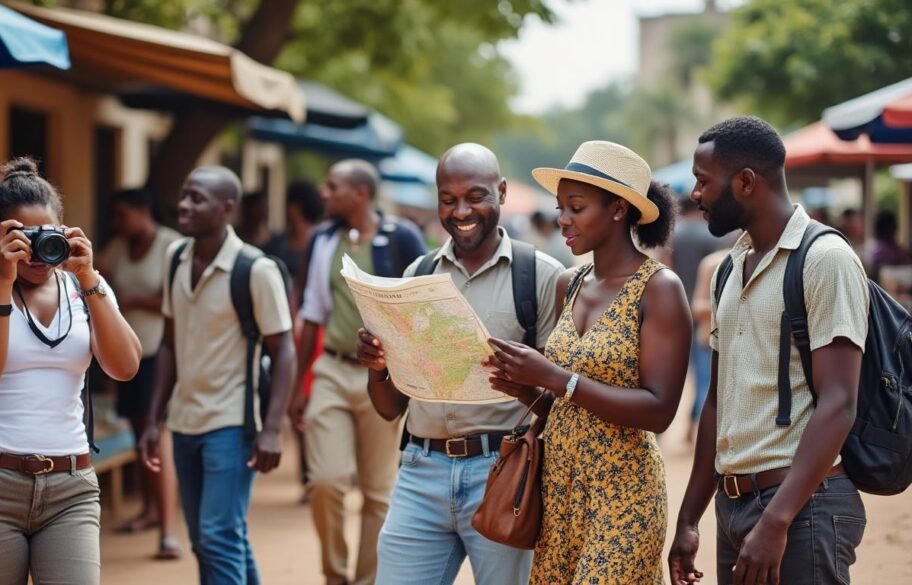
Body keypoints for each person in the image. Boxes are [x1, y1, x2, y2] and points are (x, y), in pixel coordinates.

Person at [669, 116, 870, 585]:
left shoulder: (825, 260)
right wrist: (690, 517)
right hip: (734, 507)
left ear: (745, 182)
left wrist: (776, 520)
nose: (695, 194)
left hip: (804, 508)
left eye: (703, 181)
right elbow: (717, 401)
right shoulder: (727, 268)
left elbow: (839, 402)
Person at [354, 143, 563, 585]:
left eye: (475, 196)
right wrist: (377, 366)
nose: (461, 211)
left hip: (502, 473)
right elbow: (389, 408)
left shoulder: (541, 276)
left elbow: (560, 400)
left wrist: (525, 384)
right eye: (448, 199)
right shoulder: (417, 275)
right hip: (419, 471)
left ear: (501, 192)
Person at [486, 141, 690, 584]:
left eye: (576, 207)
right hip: (560, 489)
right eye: (560, 208)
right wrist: (527, 388)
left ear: (618, 209)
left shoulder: (659, 289)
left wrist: (556, 378)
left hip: (623, 492)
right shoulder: (569, 283)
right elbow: (567, 405)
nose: (563, 219)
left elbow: (659, 411)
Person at [0, 157, 142, 585]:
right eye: (22, 236)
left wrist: (88, 277)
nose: (36, 251)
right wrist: (3, 284)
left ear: (64, 231)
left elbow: (125, 367)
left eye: (46, 234)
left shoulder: (86, 287)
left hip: (71, 486)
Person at [138, 166, 295, 584]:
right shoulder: (176, 258)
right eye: (184, 195)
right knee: (210, 538)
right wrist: (154, 420)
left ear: (226, 209)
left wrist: (272, 429)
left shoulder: (255, 269)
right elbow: (168, 344)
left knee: (217, 536)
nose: (183, 205)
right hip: (184, 421)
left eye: (196, 198)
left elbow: (284, 351)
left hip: (232, 424)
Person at [289, 159, 426, 585]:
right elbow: (312, 312)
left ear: (360, 194)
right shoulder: (322, 239)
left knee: (377, 491)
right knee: (325, 481)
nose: (324, 193)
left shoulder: (402, 237)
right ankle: (335, 574)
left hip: (384, 378)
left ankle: (367, 579)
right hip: (331, 368)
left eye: (333, 186)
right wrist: (298, 387)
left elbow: (421, 307)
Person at [95, 188, 183, 559]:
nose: (117, 223)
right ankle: (149, 510)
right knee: (137, 433)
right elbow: (99, 275)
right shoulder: (119, 247)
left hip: (160, 353)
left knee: (157, 435)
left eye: (122, 214)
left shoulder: (171, 245)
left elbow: (178, 299)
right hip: (126, 355)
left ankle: (168, 531)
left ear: (142, 211)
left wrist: (132, 300)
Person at [262, 179, 326, 499]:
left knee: (316, 398)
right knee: (296, 398)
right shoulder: (277, 245)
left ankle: (318, 470)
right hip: (284, 331)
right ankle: (307, 473)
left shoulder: (323, 241)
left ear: (293, 207)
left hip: (316, 332)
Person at [671, 196, 730, 439]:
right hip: (711, 315)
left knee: (689, 373)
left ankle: (690, 425)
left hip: (678, 307)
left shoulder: (674, 236)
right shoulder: (712, 237)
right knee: (707, 377)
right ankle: (698, 427)